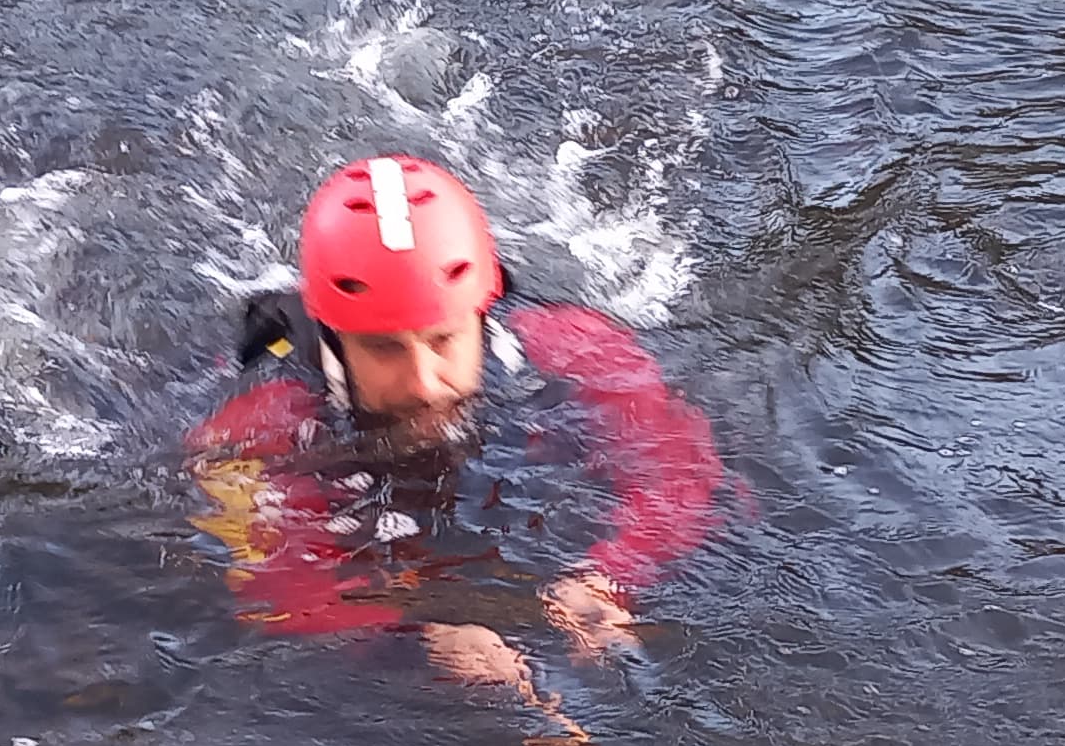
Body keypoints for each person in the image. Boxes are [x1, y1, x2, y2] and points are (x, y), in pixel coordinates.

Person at [189, 155, 720, 691]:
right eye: (383, 348)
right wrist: (415, 633)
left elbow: (678, 470)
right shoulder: (259, 421)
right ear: (333, 337)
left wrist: (608, 575)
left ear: (482, 312)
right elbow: (283, 580)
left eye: (443, 340)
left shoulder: (570, 345)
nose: (424, 382)